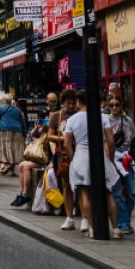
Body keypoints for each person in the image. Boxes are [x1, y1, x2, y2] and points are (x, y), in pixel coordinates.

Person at [64, 91, 121, 239]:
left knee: (84, 193)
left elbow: (67, 143)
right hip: (99, 156)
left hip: (81, 157)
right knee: (107, 193)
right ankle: (116, 228)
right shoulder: (102, 117)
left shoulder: (72, 119)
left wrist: (73, 158)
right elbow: (111, 141)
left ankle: (92, 228)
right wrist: (110, 159)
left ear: (78, 101)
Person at [48, 89, 79, 229]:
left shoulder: (79, 114)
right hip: (64, 155)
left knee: (81, 186)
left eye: (73, 103)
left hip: (79, 153)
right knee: (66, 185)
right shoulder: (57, 116)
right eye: (68, 103)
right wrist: (65, 138)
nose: (71, 106)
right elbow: (50, 136)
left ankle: (82, 213)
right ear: (63, 103)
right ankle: (69, 216)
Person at [107, 95, 135, 234]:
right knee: (117, 193)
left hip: (127, 159)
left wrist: (132, 155)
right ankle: (123, 224)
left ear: (121, 106)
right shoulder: (106, 121)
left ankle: (125, 221)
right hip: (112, 160)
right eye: (111, 105)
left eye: (117, 104)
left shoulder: (127, 121)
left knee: (132, 194)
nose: (114, 108)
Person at [0, 96, 26, 176]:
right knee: (14, 149)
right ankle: (12, 171)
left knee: (5, 148)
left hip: (3, 130)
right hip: (17, 131)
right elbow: (22, 122)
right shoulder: (17, 110)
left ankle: (6, 165)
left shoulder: (0, 108)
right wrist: (24, 132)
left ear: (4, 100)